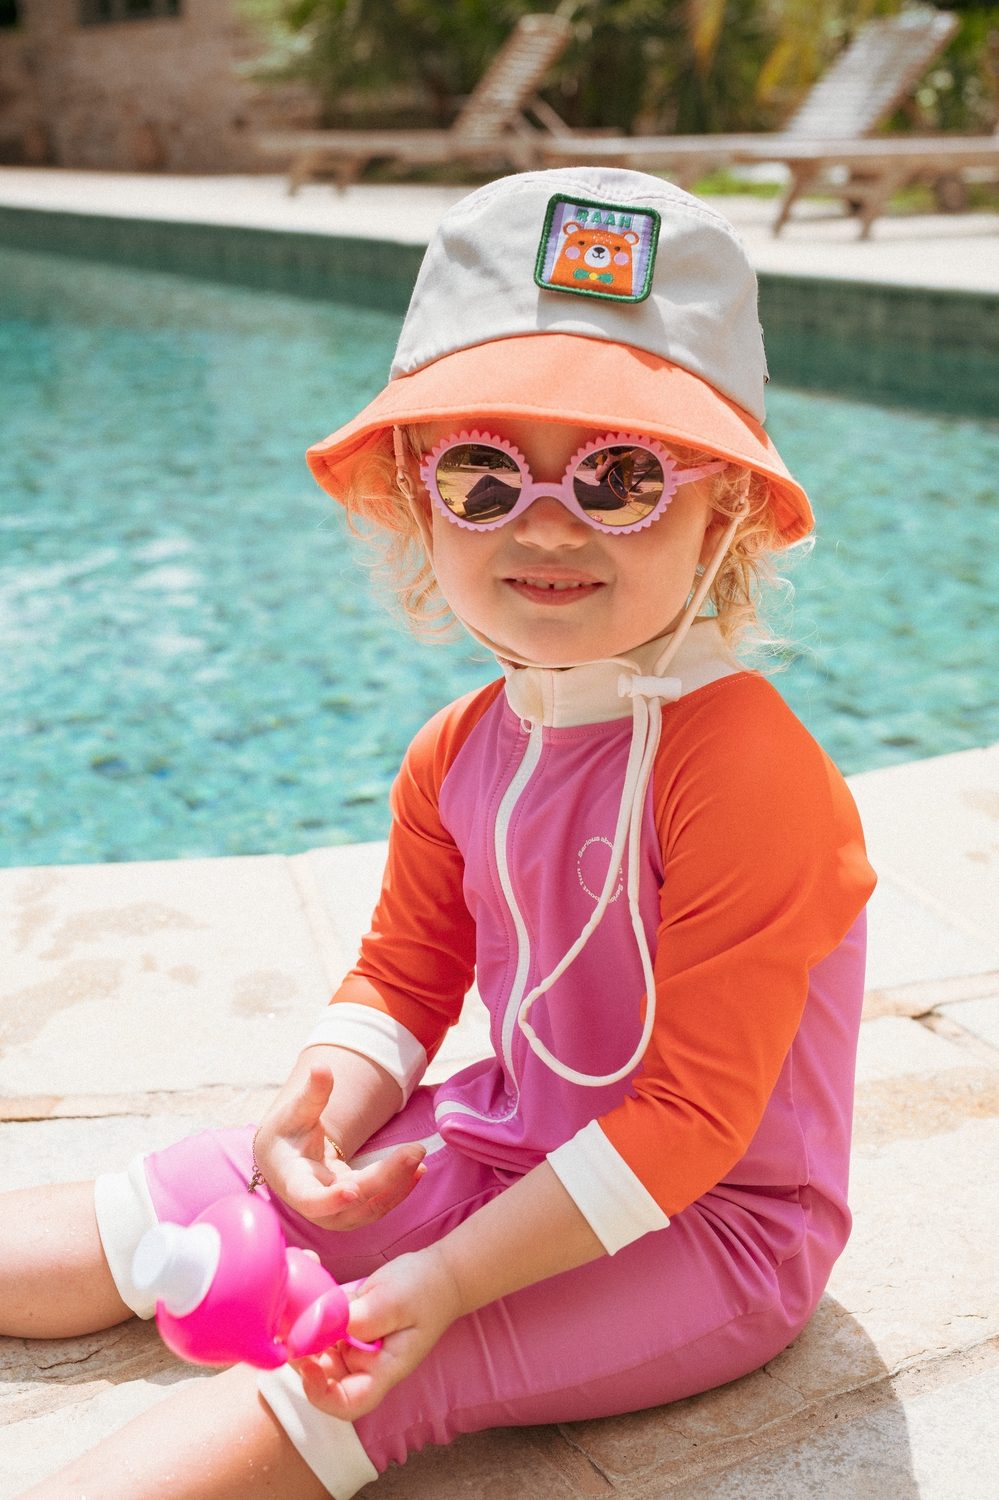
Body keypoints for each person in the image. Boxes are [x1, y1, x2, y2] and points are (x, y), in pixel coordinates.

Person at [2, 167, 876, 1500]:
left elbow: (695, 1120)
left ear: (727, 511)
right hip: (509, 1141)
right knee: (198, 1197)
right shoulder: (461, 749)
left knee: (365, 1361)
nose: (547, 523)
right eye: (482, 473)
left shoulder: (745, 770)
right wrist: (321, 1118)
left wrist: (449, 1277)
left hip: (711, 1225)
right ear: (421, 501)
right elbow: (406, 979)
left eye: (619, 476)